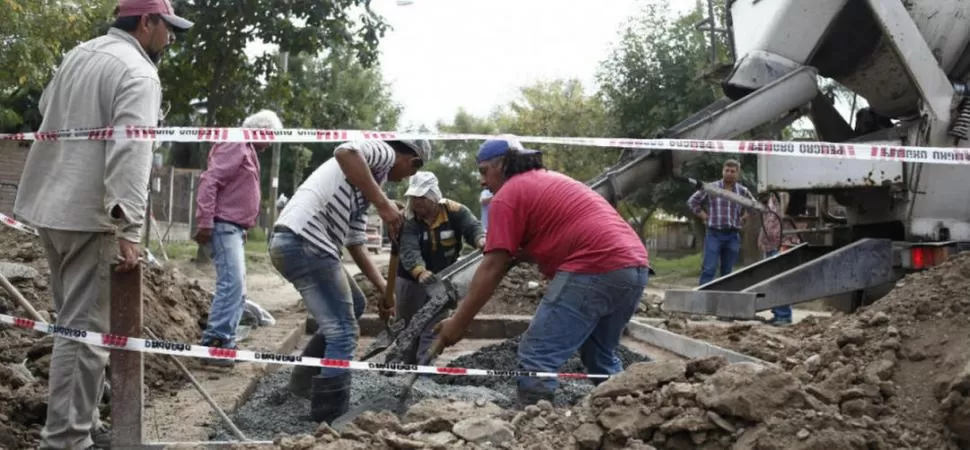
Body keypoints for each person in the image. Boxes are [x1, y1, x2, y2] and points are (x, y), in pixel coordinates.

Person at [12, 1, 193, 448]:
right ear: (146, 22)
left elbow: (45, 106)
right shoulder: (138, 71)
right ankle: (67, 440)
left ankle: (82, 425)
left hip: (49, 207)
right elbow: (132, 150)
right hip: (91, 216)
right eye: (167, 28)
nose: (170, 38)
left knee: (71, 324)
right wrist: (128, 227)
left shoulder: (79, 54)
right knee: (85, 334)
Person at [434, 136, 649, 406]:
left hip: (594, 265)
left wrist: (458, 323)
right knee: (599, 355)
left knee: (537, 354)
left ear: (501, 165)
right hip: (634, 267)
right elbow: (540, 243)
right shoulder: (549, 180)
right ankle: (631, 412)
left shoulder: (508, 195)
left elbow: (492, 268)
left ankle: (534, 426)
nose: (482, 181)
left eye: (483, 171)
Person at [269, 139, 430, 423]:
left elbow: (356, 243)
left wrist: (385, 290)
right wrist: (382, 203)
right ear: (411, 158)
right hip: (307, 241)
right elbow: (345, 151)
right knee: (343, 332)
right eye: (413, 168)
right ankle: (328, 419)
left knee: (354, 304)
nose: (408, 176)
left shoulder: (367, 181)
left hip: (294, 241)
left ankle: (303, 382)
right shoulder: (383, 152)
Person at [194, 110, 283, 366]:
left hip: (233, 228)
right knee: (231, 285)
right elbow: (210, 181)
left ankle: (225, 340)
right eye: (271, 138)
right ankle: (216, 344)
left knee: (238, 288)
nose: (271, 144)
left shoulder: (247, 148)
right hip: (223, 225)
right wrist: (205, 220)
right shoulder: (236, 143)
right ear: (262, 131)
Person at [398, 171, 485, 364]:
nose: (417, 203)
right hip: (411, 281)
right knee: (409, 327)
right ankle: (402, 368)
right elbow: (409, 248)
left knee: (432, 327)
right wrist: (419, 271)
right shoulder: (409, 219)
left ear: (433, 197)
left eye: (421, 198)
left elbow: (472, 228)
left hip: (442, 280)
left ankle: (424, 373)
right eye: (413, 198)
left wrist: (480, 240)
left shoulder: (455, 211)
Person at [687, 159, 753, 286]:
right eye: (726, 170)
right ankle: (703, 300)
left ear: (738, 174)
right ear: (722, 171)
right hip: (714, 234)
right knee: (709, 268)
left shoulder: (742, 191)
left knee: (727, 272)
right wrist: (703, 215)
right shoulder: (711, 187)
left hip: (732, 235)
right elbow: (692, 201)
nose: (729, 173)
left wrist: (744, 217)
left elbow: (752, 206)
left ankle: (724, 300)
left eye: (732, 171)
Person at [757, 191, 800, 325]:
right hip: (769, 243)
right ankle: (777, 314)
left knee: (780, 280)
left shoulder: (784, 195)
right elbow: (768, 219)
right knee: (771, 281)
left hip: (782, 241)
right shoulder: (771, 199)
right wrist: (761, 237)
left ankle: (784, 315)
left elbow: (786, 215)